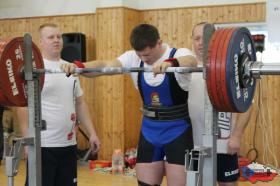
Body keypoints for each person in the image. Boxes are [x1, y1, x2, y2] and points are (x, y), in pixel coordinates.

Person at [61, 23, 197, 186]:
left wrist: (170, 63)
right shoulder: (132, 58)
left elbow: (191, 61)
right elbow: (105, 65)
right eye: (141, 55)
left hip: (178, 131)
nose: (144, 59)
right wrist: (79, 67)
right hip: (149, 131)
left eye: (148, 54)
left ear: (159, 43)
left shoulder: (178, 53)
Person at [17, 23, 100, 186]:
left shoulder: (70, 68)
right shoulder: (34, 69)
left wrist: (92, 133)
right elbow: (22, 106)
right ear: (40, 42)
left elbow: (80, 103)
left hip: (68, 145)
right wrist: (28, 141)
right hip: (43, 146)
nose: (56, 40)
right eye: (51, 37)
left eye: (58, 36)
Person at [189, 22, 252, 186]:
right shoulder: (187, 69)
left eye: (205, 38)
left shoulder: (228, 67)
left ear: (215, 40)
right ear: (192, 42)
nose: (201, 42)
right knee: (195, 183)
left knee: (228, 184)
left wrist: (237, 136)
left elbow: (247, 105)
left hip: (224, 143)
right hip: (194, 146)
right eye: (197, 38)